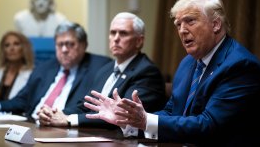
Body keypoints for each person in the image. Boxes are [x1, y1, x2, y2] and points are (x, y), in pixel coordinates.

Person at [83, 0, 260, 146]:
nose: (182, 30)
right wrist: (130, 121)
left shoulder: (240, 66)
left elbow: (209, 125)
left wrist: (145, 120)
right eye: (178, 24)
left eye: (190, 21)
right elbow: (172, 112)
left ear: (215, 24)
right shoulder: (188, 63)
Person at [38, 12, 168, 128]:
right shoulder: (106, 69)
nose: (116, 38)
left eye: (123, 33)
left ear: (139, 41)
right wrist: (56, 113)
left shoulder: (147, 72)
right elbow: (86, 105)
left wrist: (69, 120)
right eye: (113, 33)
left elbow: (120, 115)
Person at [0, 22, 111, 122]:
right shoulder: (44, 67)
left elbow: (89, 106)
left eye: (70, 44)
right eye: (60, 44)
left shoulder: (100, 67)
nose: (64, 49)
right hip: (31, 124)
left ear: (83, 45)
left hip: (63, 129)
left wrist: (58, 114)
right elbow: (23, 99)